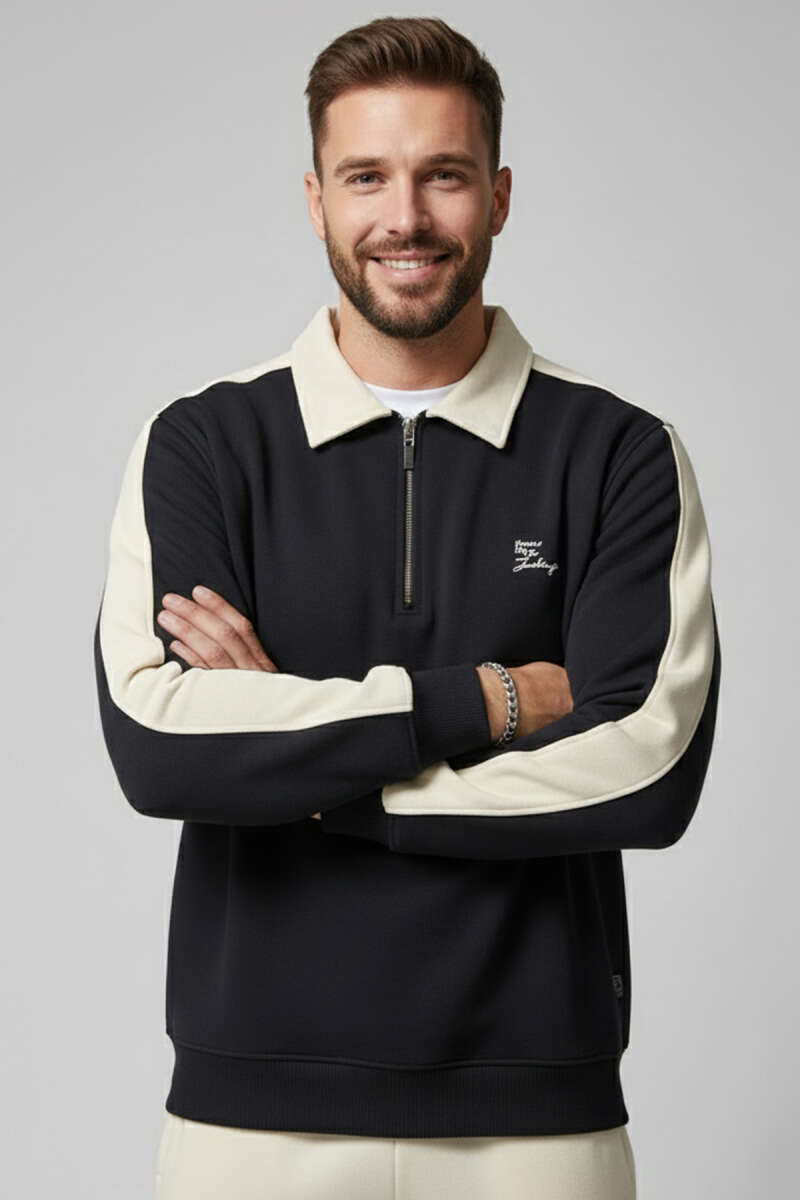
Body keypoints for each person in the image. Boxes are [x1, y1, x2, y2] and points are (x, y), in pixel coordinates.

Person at [93, 16, 721, 1200]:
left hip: (535, 1121)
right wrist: (481, 702)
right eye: (365, 177)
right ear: (315, 200)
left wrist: (311, 773)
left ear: (498, 196)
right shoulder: (204, 446)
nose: (405, 217)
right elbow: (161, 746)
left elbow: (645, 768)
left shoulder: (617, 453)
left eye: (443, 175)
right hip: (248, 1121)